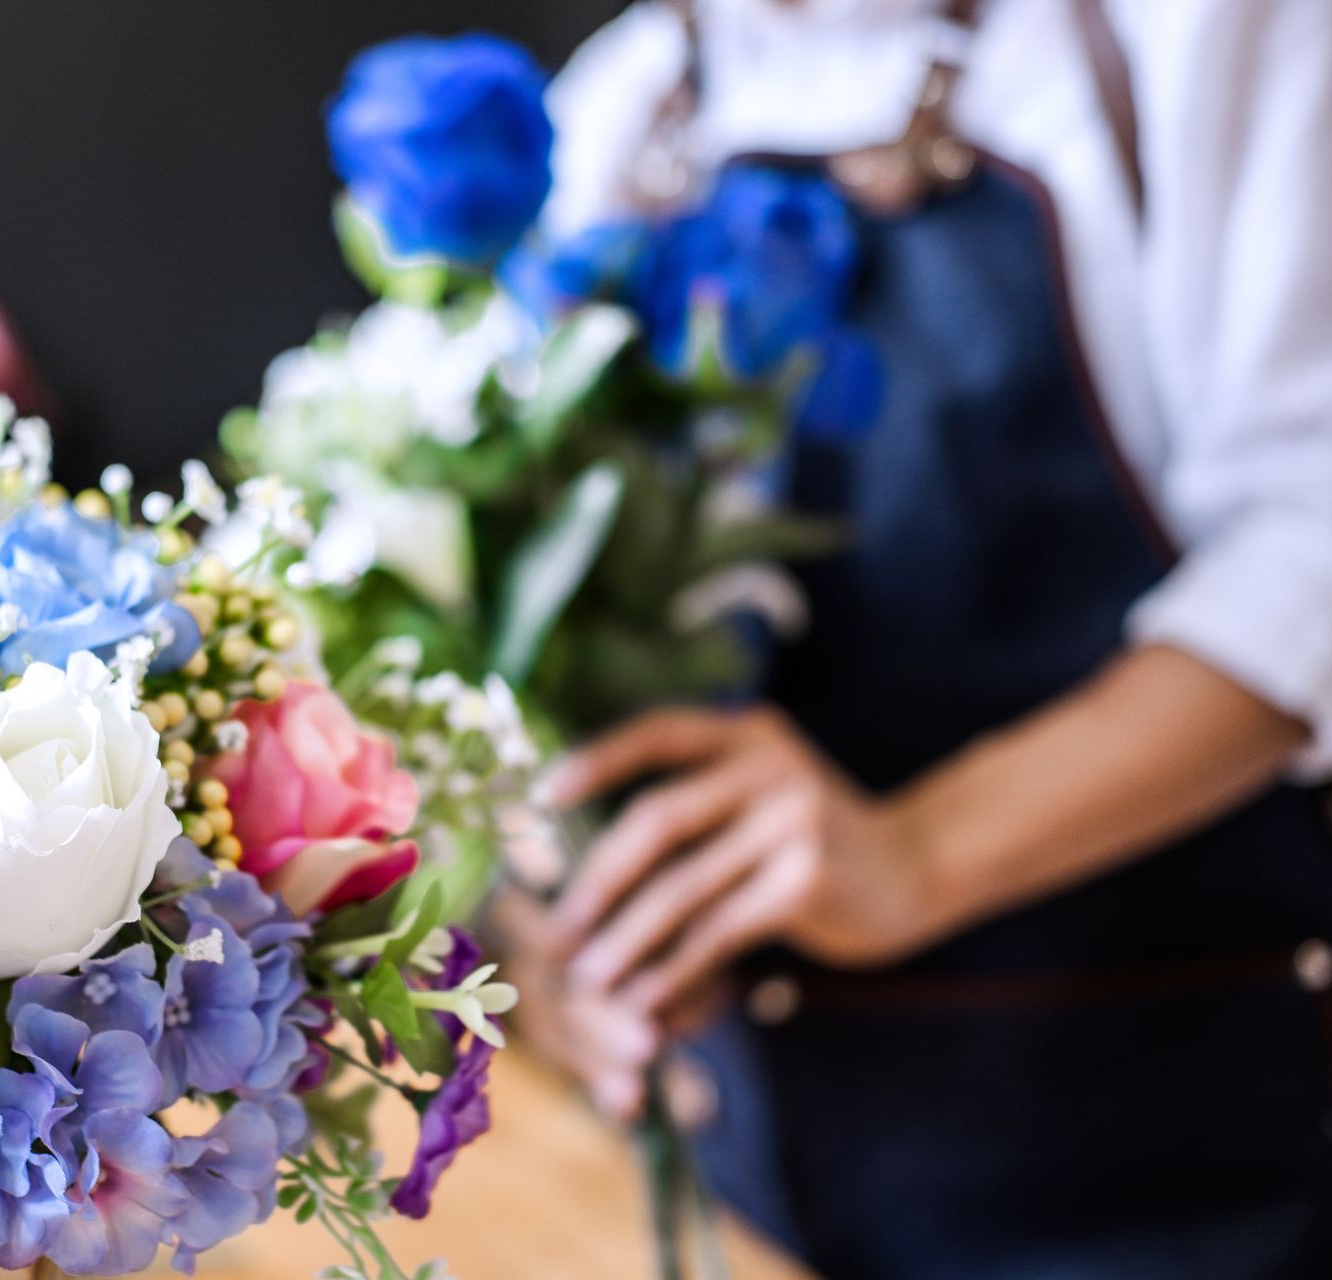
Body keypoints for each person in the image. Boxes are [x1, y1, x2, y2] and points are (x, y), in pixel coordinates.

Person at [504, 1, 1332, 1275]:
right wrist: (555, 938)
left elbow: (1307, 542)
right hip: (752, 1190)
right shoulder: (627, 103)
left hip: (1159, 1169)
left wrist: (917, 851)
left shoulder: (1199, 34)